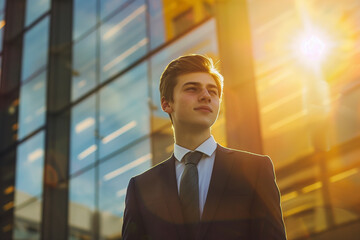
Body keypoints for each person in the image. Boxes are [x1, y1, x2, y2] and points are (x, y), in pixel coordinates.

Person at [122, 54, 287, 240]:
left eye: (213, 91)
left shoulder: (255, 169)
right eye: (192, 89)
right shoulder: (141, 188)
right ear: (166, 103)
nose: (206, 96)